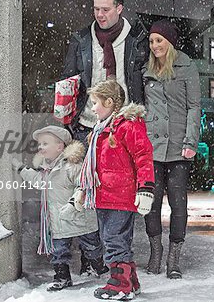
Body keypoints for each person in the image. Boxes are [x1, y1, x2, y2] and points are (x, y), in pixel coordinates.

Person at [77, 80, 155, 300]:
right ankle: (130, 281)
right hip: (104, 196)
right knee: (115, 239)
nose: (92, 108)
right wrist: (82, 190)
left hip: (120, 196)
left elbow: (143, 157)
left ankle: (120, 284)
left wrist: (145, 189)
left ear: (109, 102)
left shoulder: (127, 127)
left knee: (113, 239)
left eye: (95, 103)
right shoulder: (100, 130)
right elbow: (91, 166)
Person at [12, 125, 108, 291]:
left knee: (91, 247)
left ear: (60, 146)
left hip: (81, 219)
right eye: (39, 144)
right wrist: (21, 168)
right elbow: (37, 180)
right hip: (58, 221)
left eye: (45, 143)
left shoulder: (73, 166)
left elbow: (83, 186)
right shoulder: (46, 170)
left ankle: (99, 266)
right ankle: (62, 277)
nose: (40, 147)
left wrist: (73, 205)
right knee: (58, 252)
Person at [142, 19, 201, 279]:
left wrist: (191, 142)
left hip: (178, 148)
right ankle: (155, 252)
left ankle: (173, 258)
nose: (155, 46)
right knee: (150, 203)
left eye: (159, 41)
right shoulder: (145, 69)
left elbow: (194, 107)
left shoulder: (187, 67)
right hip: (151, 148)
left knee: (178, 204)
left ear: (170, 42)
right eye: (152, 41)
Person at [61, 0, 149, 143]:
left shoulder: (137, 40)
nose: (99, 14)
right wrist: (66, 123)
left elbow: (148, 84)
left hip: (125, 126)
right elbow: (67, 82)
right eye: (96, 9)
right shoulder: (81, 40)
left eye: (105, 10)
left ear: (119, 8)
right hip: (86, 127)